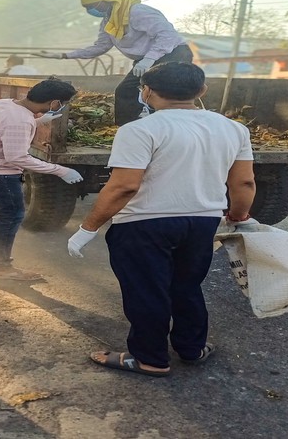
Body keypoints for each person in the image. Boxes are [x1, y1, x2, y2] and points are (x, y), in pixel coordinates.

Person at [66, 62, 255, 377]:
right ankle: (192, 349)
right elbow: (244, 183)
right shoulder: (233, 129)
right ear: (202, 91)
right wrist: (238, 215)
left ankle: (150, 358)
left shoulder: (139, 131)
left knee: (146, 290)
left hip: (143, 225)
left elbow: (125, 185)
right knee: (187, 286)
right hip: (201, 223)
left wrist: (88, 228)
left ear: (147, 91)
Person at [0, 78, 84, 280]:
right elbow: (16, 157)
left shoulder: (0, 104)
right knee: (12, 214)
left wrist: (37, 122)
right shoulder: (20, 120)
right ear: (53, 103)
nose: (64, 107)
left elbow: (4, 128)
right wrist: (59, 170)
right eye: (64, 102)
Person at [34, 0, 193, 126]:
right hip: (146, 59)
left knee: (162, 92)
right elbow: (100, 47)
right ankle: (129, 128)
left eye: (91, 6)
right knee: (125, 90)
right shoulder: (108, 22)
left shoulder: (138, 11)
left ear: (106, 0)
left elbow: (167, 35)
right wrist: (63, 55)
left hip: (172, 53)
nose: (90, 10)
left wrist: (149, 59)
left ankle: (172, 124)